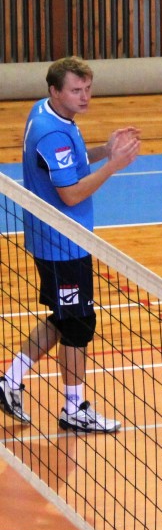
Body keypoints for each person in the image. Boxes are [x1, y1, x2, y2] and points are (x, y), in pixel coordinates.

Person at [0, 57, 141, 432]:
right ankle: (74, 409)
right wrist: (113, 166)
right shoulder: (52, 134)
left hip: (59, 240)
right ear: (55, 90)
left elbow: (71, 163)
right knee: (79, 325)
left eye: (88, 89)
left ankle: (9, 381)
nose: (85, 97)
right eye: (76, 90)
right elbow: (72, 194)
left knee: (65, 319)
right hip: (61, 244)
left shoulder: (46, 112)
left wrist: (104, 151)